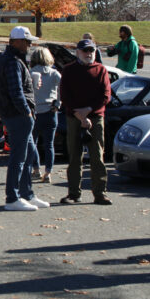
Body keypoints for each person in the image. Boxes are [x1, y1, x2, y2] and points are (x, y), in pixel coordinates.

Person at [0, 26, 49, 212]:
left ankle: (27, 195)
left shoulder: (11, 59)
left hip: (17, 115)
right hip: (18, 116)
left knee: (28, 156)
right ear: (16, 41)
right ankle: (13, 198)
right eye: (27, 41)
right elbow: (16, 91)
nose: (29, 45)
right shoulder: (11, 62)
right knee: (19, 157)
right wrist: (26, 111)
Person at [59, 38, 113, 205]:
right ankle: (74, 194)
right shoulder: (68, 70)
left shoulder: (101, 70)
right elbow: (65, 95)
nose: (88, 54)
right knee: (75, 157)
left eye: (91, 50)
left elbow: (106, 95)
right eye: (85, 50)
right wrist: (80, 116)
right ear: (78, 52)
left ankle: (100, 193)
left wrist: (88, 111)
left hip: (96, 118)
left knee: (97, 157)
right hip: (74, 117)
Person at [29, 47, 62, 184]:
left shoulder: (30, 73)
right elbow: (62, 91)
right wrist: (58, 104)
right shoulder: (55, 74)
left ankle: (36, 169)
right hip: (51, 110)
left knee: (33, 143)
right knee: (49, 145)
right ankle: (48, 172)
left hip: (35, 111)